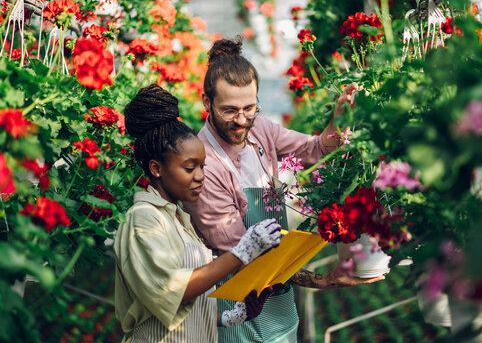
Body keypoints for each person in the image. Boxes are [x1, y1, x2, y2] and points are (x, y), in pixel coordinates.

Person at [182, 37, 384, 343]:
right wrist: (325, 280)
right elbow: (242, 256)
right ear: (207, 103)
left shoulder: (260, 128)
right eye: (229, 111)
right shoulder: (206, 166)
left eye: (249, 108)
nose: (241, 121)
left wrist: (339, 118)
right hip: (239, 307)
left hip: (280, 297)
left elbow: (315, 148)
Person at [114, 83, 284, 343]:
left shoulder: (179, 219)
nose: (201, 176)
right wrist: (243, 252)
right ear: (156, 168)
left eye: (203, 166)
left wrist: (231, 317)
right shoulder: (143, 219)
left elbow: (189, 307)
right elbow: (173, 290)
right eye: (189, 167)